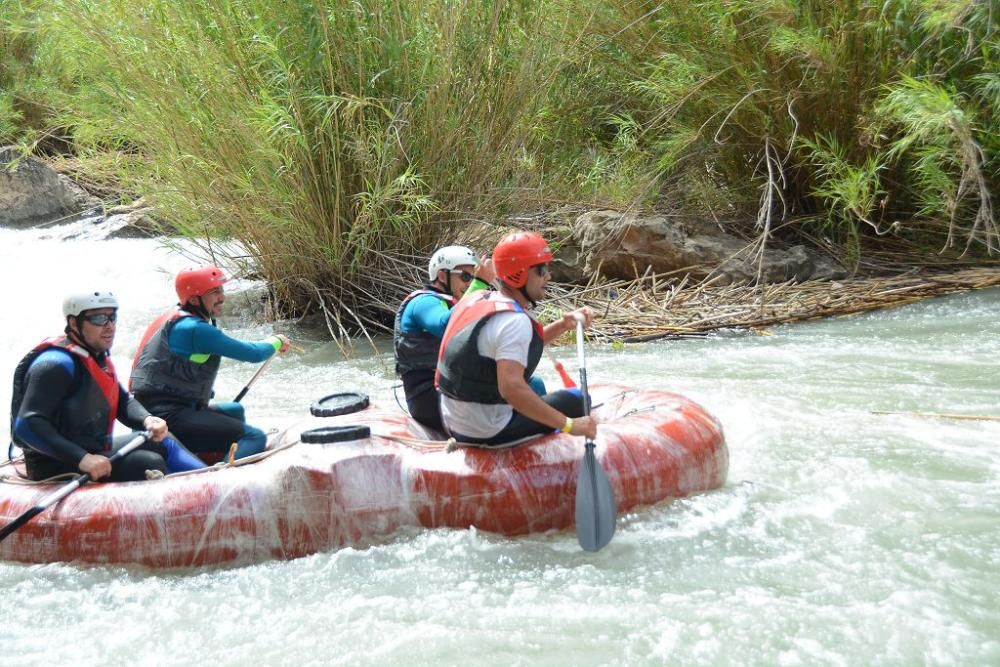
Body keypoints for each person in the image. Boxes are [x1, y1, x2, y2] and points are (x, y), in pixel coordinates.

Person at [10, 291, 205, 482]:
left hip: (91, 449)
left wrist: (147, 419)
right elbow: (26, 425)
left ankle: (209, 478)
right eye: (99, 319)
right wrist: (82, 458)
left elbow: (122, 400)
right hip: (56, 462)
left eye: (112, 318)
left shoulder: (95, 358)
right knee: (147, 462)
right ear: (74, 323)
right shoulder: (56, 364)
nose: (109, 326)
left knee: (163, 440)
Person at [436, 231, 598, 445]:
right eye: (541, 270)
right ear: (519, 274)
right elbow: (511, 389)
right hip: (489, 430)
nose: (548, 276)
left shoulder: (477, 298)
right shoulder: (514, 321)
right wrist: (570, 425)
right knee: (579, 399)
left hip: (452, 422)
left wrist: (562, 325)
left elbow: (509, 345)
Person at [129, 265, 290, 462]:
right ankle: (223, 472)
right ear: (194, 300)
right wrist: (277, 340)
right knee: (255, 437)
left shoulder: (174, 317)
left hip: (160, 409)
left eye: (221, 290)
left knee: (235, 410)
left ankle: (214, 455)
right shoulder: (194, 330)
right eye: (214, 292)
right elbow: (253, 353)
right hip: (165, 418)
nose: (222, 297)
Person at [393, 245, 485, 431]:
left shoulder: (457, 305)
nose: (470, 284)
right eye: (466, 277)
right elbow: (445, 325)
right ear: (442, 276)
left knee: (531, 384)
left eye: (473, 278)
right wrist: (480, 283)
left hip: (454, 388)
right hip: (428, 397)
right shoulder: (423, 302)